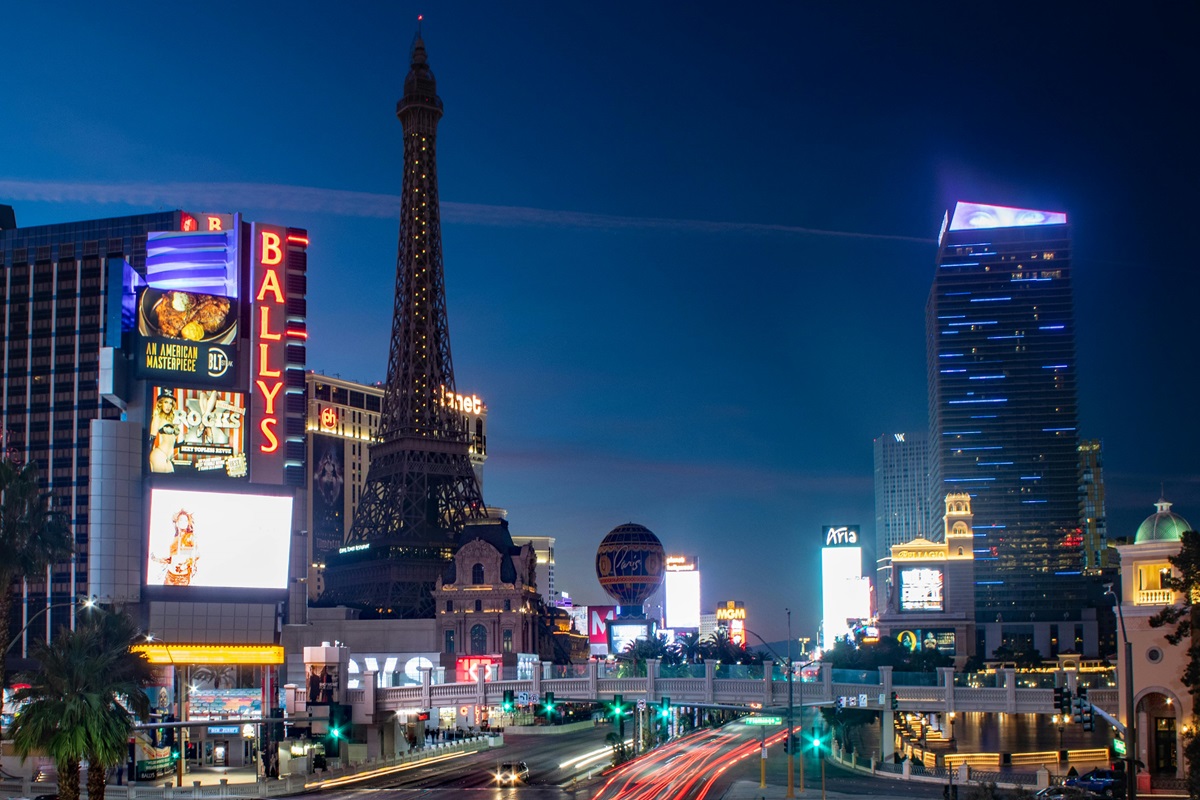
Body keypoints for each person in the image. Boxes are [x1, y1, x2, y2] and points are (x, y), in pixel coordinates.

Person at [149, 391, 179, 473]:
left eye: (170, 403)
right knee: (160, 483)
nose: (168, 406)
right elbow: (152, 438)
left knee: (171, 484)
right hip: (159, 455)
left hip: (167, 458)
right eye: (166, 402)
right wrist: (145, 458)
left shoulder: (170, 420)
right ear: (161, 403)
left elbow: (172, 442)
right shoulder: (157, 418)